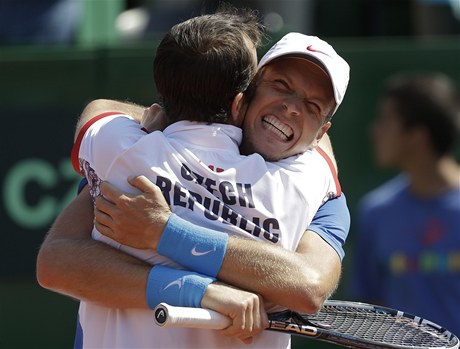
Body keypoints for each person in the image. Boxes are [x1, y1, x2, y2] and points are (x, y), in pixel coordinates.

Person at [37, 9, 351, 349]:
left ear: (322, 132)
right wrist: (202, 291)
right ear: (244, 97)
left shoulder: (122, 152)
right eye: (280, 85)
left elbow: (309, 286)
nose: (291, 108)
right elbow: (56, 263)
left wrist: (166, 231)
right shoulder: (312, 181)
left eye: (313, 106)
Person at [348, 72, 460, 336]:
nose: (374, 130)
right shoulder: (376, 212)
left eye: (386, 119)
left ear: (417, 135)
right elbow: (370, 310)